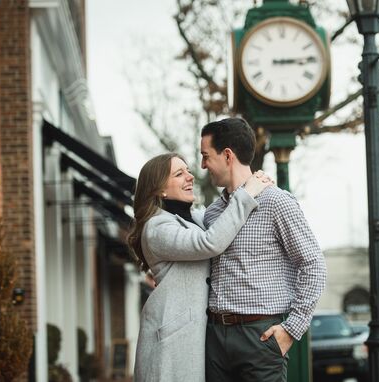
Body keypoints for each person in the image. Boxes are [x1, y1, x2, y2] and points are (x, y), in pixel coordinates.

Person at [201, 118, 327, 382]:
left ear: (227, 155)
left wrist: (291, 329)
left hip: (259, 337)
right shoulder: (212, 214)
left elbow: (313, 265)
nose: (203, 165)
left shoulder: (276, 202)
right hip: (213, 337)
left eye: (205, 156)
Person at [128, 152, 273, 382]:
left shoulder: (194, 218)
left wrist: (252, 184)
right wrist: (247, 193)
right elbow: (210, 242)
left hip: (195, 339)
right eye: (179, 173)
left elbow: (224, 217)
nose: (190, 176)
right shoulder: (157, 227)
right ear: (159, 189)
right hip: (171, 343)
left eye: (187, 170)